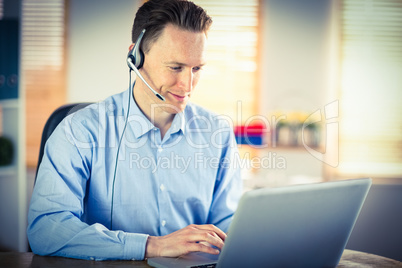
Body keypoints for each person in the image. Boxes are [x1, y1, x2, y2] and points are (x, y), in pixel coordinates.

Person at [27, 0, 242, 261]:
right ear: (135, 56)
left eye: (196, 69)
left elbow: (229, 228)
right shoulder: (79, 131)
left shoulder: (216, 133)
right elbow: (46, 230)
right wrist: (153, 245)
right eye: (175, 67)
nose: (187, 84)